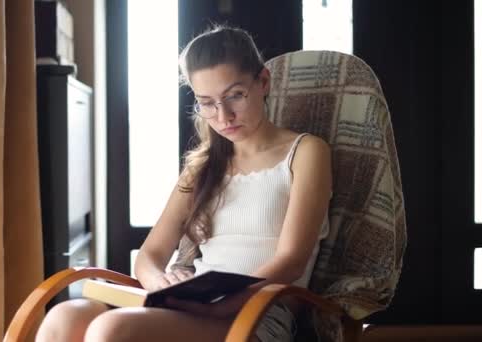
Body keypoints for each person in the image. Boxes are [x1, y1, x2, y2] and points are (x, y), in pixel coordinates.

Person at [35, 25, 331, 342]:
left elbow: (291, 260)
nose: (223, 116)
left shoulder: (305, 153)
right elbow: (150, 255)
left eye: (235, 95)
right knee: (65, 316)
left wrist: (223, 306)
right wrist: (161, 284)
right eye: (207, 102)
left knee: (112, 330)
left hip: (257, 313)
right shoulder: (202, 167)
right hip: (196, 304)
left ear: (262, 82)